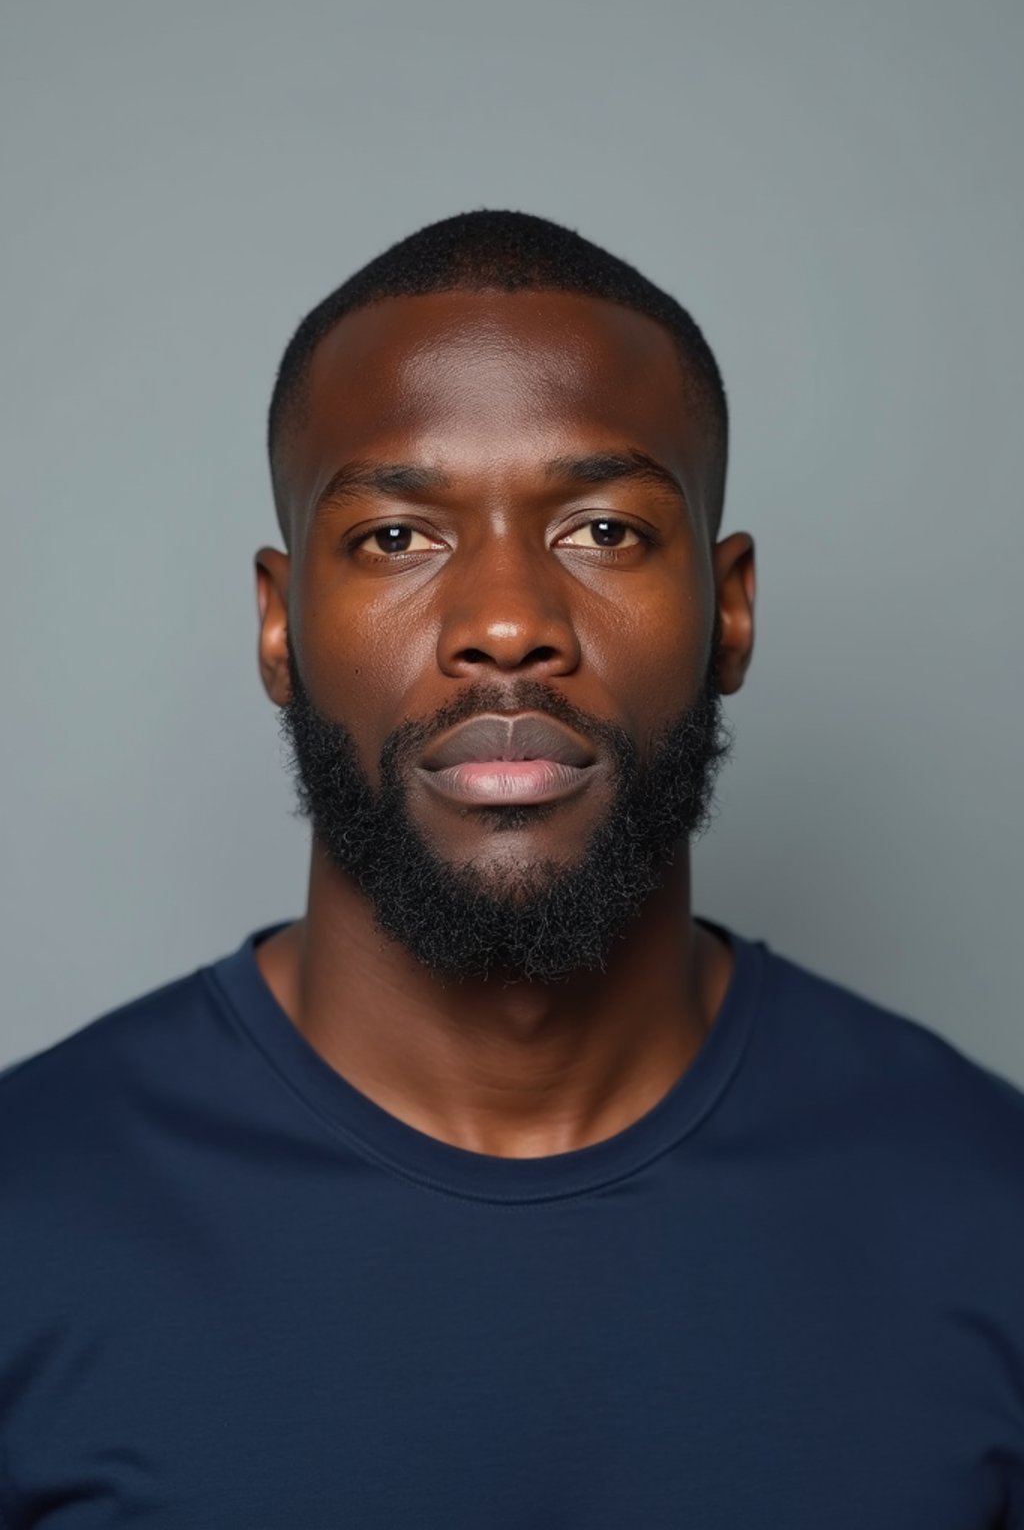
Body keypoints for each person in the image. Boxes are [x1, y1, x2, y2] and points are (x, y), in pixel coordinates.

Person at [2, 209, 1022, 1529]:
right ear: (277, 623)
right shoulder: (27, 1221)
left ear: (733, 610)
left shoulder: (989, 1216)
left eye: (603, 532)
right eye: (395, 538)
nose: (504, 625)